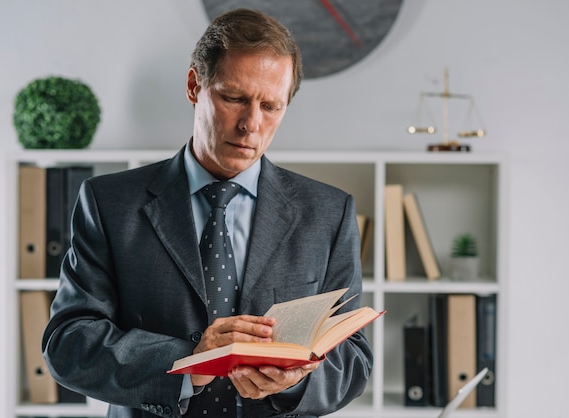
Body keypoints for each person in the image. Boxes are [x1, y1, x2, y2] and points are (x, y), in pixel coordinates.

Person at [42, 8, 372, 418]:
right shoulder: (109, 202)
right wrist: (187, 361)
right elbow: (68, 344)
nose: (251, 124)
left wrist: (296, 382)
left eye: (271, 106)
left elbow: (354, 358)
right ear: (194, 85)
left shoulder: (330, 212)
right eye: (234, 98)